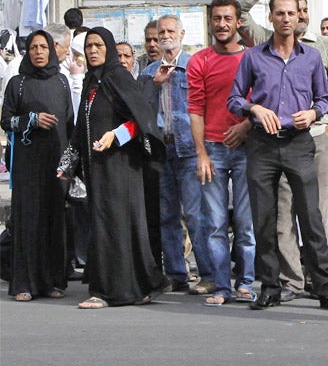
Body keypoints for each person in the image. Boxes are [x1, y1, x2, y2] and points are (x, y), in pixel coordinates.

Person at [228, 0, 328, 313]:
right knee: (266, 219)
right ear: (271, 17)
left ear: (299, 18)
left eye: (290, 13)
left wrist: (313, 114)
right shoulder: (254, 57)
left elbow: (325, 98)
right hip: (263, 144)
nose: (285, 19)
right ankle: (270, 287)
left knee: (312, 219)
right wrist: (254, 108)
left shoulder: (310, 57)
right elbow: (235, 98)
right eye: (279, 13)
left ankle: (325, 288)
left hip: (299, 143)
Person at [59, 27, 166, 309]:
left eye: (98, 45)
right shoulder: (94, 83)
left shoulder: (118, 77)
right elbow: (80, 128)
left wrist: (115, 135)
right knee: (111, 225)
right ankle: (137, 286)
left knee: (115, 226)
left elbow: (141, 117)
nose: (93, 50)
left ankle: (110, 292)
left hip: (120, 168)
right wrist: (67, 164)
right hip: (99, 169)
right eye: (89, 46)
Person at [187, 0, 256, 306]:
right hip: (212, 150)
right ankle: (221, 287)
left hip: (247, 148)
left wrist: (246, 128)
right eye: (217, 18)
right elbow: (195, 109)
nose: (222, 24)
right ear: (210, 22)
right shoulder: (199, 60)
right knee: (213, 224)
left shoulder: (253, 58)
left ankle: (245, 283)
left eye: (228, 18)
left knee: (246, 224)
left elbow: (263, 103)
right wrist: (200, 153)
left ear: (238, 22)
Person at [2, 30, 74, 301]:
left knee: (54, 219)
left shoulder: (62, 82)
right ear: (28, 52)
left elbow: (69, 127)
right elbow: (6, 120)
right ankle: (24, 284)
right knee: (28, 221)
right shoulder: (17, 83)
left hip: (56, 164)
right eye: (33, 47)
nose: (39, 52)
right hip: (27, 165)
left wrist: (69, 167)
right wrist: (31, 120)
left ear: (52, 50)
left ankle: (54, 281)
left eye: (44, 47)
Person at [139, 15, 208, 294]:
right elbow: (140, 109)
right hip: (161, 148)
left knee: (194, 214)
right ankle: (176, 273)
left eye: (170, 31)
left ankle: (207, 272)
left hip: (190, 149)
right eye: (160, 32)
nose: (165, 36)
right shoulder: (148, 72)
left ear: (181, 33)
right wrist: (153, 84)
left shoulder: (195, 65)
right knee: (167, 215)